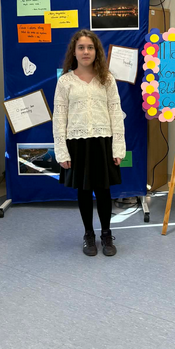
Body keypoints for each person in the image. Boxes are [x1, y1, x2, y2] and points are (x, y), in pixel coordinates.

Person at [53, 29, 125, 257]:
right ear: (74, 52)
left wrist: (118, 147)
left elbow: (116, 113)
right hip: (77, 143)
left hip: (103, 142)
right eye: (81, 47)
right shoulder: (65, 82)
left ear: (96, 51)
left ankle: (106, 233)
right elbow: (59, 117)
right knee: (84, 191)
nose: (86, 52)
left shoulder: (107, 79)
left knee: (103, 190)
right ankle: (88, 234)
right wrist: (61, 152)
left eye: (90, 47)